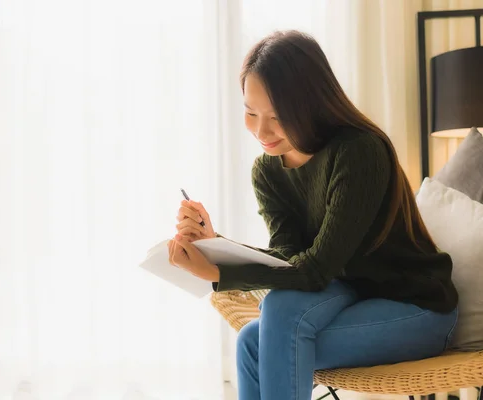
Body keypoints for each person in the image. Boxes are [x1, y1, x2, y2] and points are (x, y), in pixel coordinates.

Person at [166, 30, 459, 400]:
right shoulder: (268, 171)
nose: (261, 131)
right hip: (349, 294)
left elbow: (317, 268)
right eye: (250, 112)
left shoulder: (358, 152)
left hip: (417, 309)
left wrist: (221, 273)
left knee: (265, 335)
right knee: (255, 335)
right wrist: (215, 244)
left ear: (313, 105)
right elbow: (293, 260)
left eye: (277, 117)